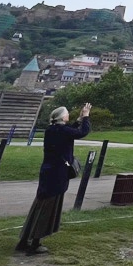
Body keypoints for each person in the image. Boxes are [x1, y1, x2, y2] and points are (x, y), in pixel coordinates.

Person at [17, 102, 90, 255]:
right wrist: (86, 116)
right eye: (67, 113)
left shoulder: (52, 130)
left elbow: (69, 131)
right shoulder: (62, 131)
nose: (68, 115)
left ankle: (24, 240)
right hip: (57, 175)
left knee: (39, 206)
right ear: (62, 117)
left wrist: (78, 120)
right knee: (47, 209)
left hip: (48, 173)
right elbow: (82, 132)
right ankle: (35, 244)